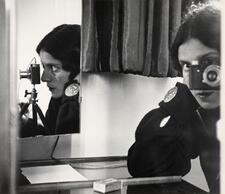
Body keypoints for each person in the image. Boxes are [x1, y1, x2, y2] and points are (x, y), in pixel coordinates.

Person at [127, 2, 220, 194]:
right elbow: (144, 169)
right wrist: (180, 105)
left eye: (209, 62)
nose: (196, 77)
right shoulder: (203, 112)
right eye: (187, 65)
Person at [20, 24, 81, 137]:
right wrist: (22, 124)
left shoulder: (80, 103)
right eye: (44, 67)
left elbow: (66, 141)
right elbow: (51, 136)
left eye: (54, 68)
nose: (44, 78)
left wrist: (72, 93)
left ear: (77, 69)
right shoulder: (57, 101)